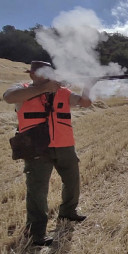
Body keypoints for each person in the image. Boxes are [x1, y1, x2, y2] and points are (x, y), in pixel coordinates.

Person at [3, 61, 92, 246]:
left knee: (72, 181)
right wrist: (44, 89)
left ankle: (68, 211)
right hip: (36, 148)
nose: (48, 76)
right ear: (32, 75)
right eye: (43, 73)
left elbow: (85, 103)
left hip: (65, 145)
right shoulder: (22, 90)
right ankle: (36, 234)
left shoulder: (63, 92)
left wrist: (88, 86)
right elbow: (8, 97)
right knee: (37, 191)